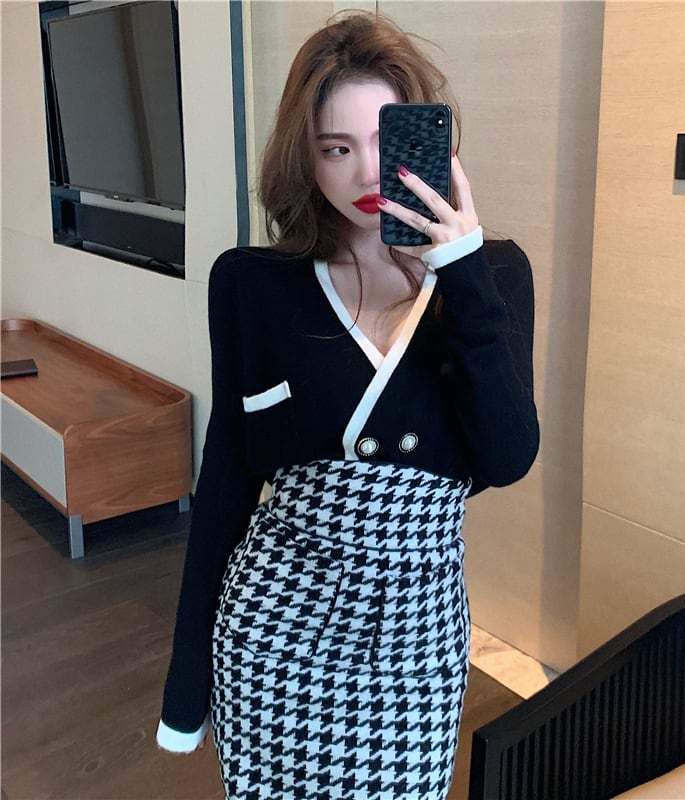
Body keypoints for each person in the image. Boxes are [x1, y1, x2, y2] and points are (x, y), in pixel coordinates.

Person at [156, 11, 539, 800]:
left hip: (416, 633)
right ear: (305, 157)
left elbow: (507, 457)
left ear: (431, 142)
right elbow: (226, 478)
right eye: (336, 148)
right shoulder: (253, 284)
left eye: (384, 141)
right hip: (274, 628)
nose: (366, 172)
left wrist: (460, 266)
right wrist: (185, 690)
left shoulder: (492, 274)